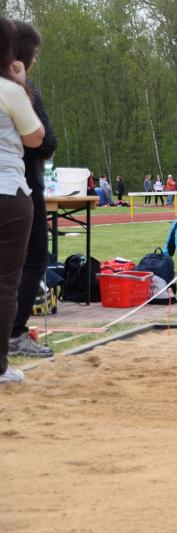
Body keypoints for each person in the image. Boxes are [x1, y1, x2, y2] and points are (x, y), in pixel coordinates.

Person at [7, 19, 56, 360]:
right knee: (33, 259)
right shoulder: (21, 90)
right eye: (33, 54)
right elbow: (46, 141)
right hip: (21, 182)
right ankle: (14, 332)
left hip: (17, 180)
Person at [0, 15, 45, 384]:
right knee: (5, 283)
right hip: (8, 192)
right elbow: (37, 137)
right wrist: (20, 84)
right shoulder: (10, 89)